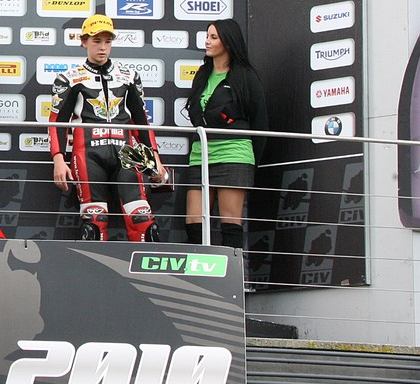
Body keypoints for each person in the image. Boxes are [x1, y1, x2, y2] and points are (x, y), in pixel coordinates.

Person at [48, 14, 168, 242]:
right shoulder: (69, 79)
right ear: (83, 42)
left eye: (107, 41)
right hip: (88, 155)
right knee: (94, 224)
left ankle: (145, 265)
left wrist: (154, 157)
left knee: (143, 221)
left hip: (127, 155)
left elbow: (141, 122)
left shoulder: (129, 77)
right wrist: (58, 159)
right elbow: (57, 124)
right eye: (96, 41)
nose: (102, 47)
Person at [183, 19, 268, 249]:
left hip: (234, 154)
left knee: (230, 224)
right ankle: (198, 271)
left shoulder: (246, 76)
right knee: (194, 224)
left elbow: (260, 121)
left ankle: (231, 272)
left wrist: (252, 164)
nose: (207, 42)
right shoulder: (203, 73)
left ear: (228, 42)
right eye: (207, 36)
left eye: (213, 37)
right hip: (200, 155)